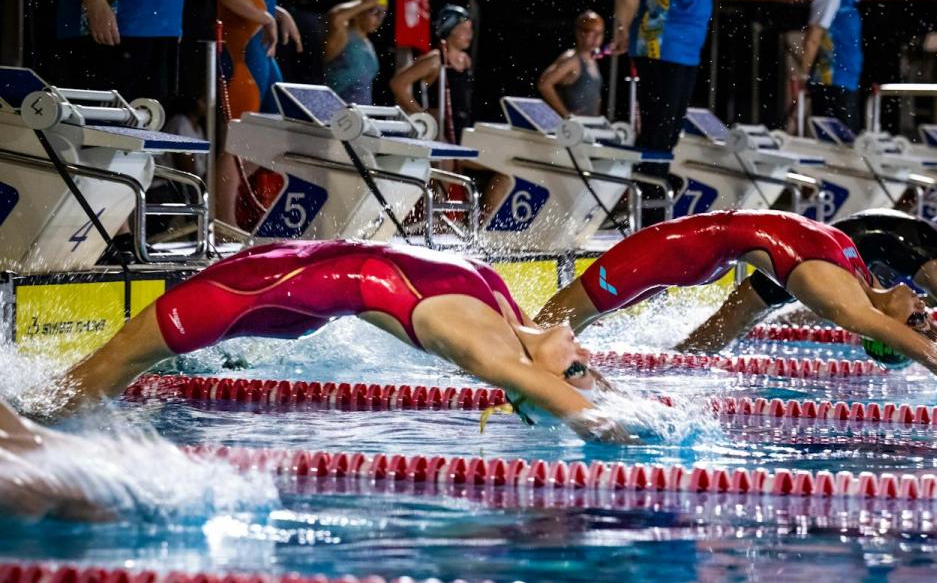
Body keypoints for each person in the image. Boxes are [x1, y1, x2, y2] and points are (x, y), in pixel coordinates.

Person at [56, 241, 627, 441]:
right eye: (586, 365)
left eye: (574, 369)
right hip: (288, 273)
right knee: (110, 371)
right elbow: (583, 394)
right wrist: (603, 392)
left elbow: (589, 420)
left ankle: (31, 423)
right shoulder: (510, 317)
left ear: (532, 381)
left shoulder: (493, 353)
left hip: (263, 291)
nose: (585, 355)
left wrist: (628, 439)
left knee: (109, 366)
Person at [535, 210, 937, 379]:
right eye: (924, 314)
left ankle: (512, 362)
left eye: (916, 318)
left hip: (677, 248)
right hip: (693, 249)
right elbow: (922, 339)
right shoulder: (861, 279)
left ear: (889, 329)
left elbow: (910, 344)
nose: (923, 307)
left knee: (552, 322)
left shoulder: (843, 301)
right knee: (567, 321)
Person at [680, 210, 937, 361]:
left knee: (744, 308)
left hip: (829, 252)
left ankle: (680, 357)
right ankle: (683, 353)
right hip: (839, 247)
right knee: (744, 308)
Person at [214, 0, 302, 228]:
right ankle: (223, 223)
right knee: (238, 139)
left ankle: (224, 203)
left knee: (278, 132)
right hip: (243, 47)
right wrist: (265, 17)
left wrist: (275, 12)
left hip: (261, 48)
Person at [612, 0, 718, 182]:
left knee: (670, 134)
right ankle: (646, 200)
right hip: (658, 45)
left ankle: (653, 196)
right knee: (657, 134)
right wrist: (622, 30)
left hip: (689, 50)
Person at [54, 0, 187, 103]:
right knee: (96, 116)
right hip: (112, 21)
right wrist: (95, 3)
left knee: (149, 114)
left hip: (164, 20)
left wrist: (175, 21)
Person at [790, 0, 864, 131]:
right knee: (835, 143)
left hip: (847, 81)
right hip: (831, 82)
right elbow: (812, 39)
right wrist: (803, 74)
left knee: (849, 142)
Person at [390, 5, 474, 143]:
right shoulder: (435, 59)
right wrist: (423, 115)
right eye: (464, 29)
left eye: (471, 29)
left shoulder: (465, 60)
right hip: (440, 131)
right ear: (450, 29)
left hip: (461, 128)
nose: (469, 34)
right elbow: (398, 84)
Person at [324, 0, 388, 105]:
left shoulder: (368, 43)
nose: (379, 18)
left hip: (358, 117)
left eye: (383, 13)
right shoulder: (343, 36)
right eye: (374, 11)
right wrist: (365, 2)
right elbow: (335, 17)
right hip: (334, 115)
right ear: (359, 10)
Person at [537, 11, 606, 117]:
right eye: (592, 33)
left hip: (588, 126)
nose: (596, 38)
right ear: (580, 34)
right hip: (572, 129)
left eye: (600, 33)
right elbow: (544, 84)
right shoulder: (572, 60)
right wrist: (566, 115)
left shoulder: (592, 60)